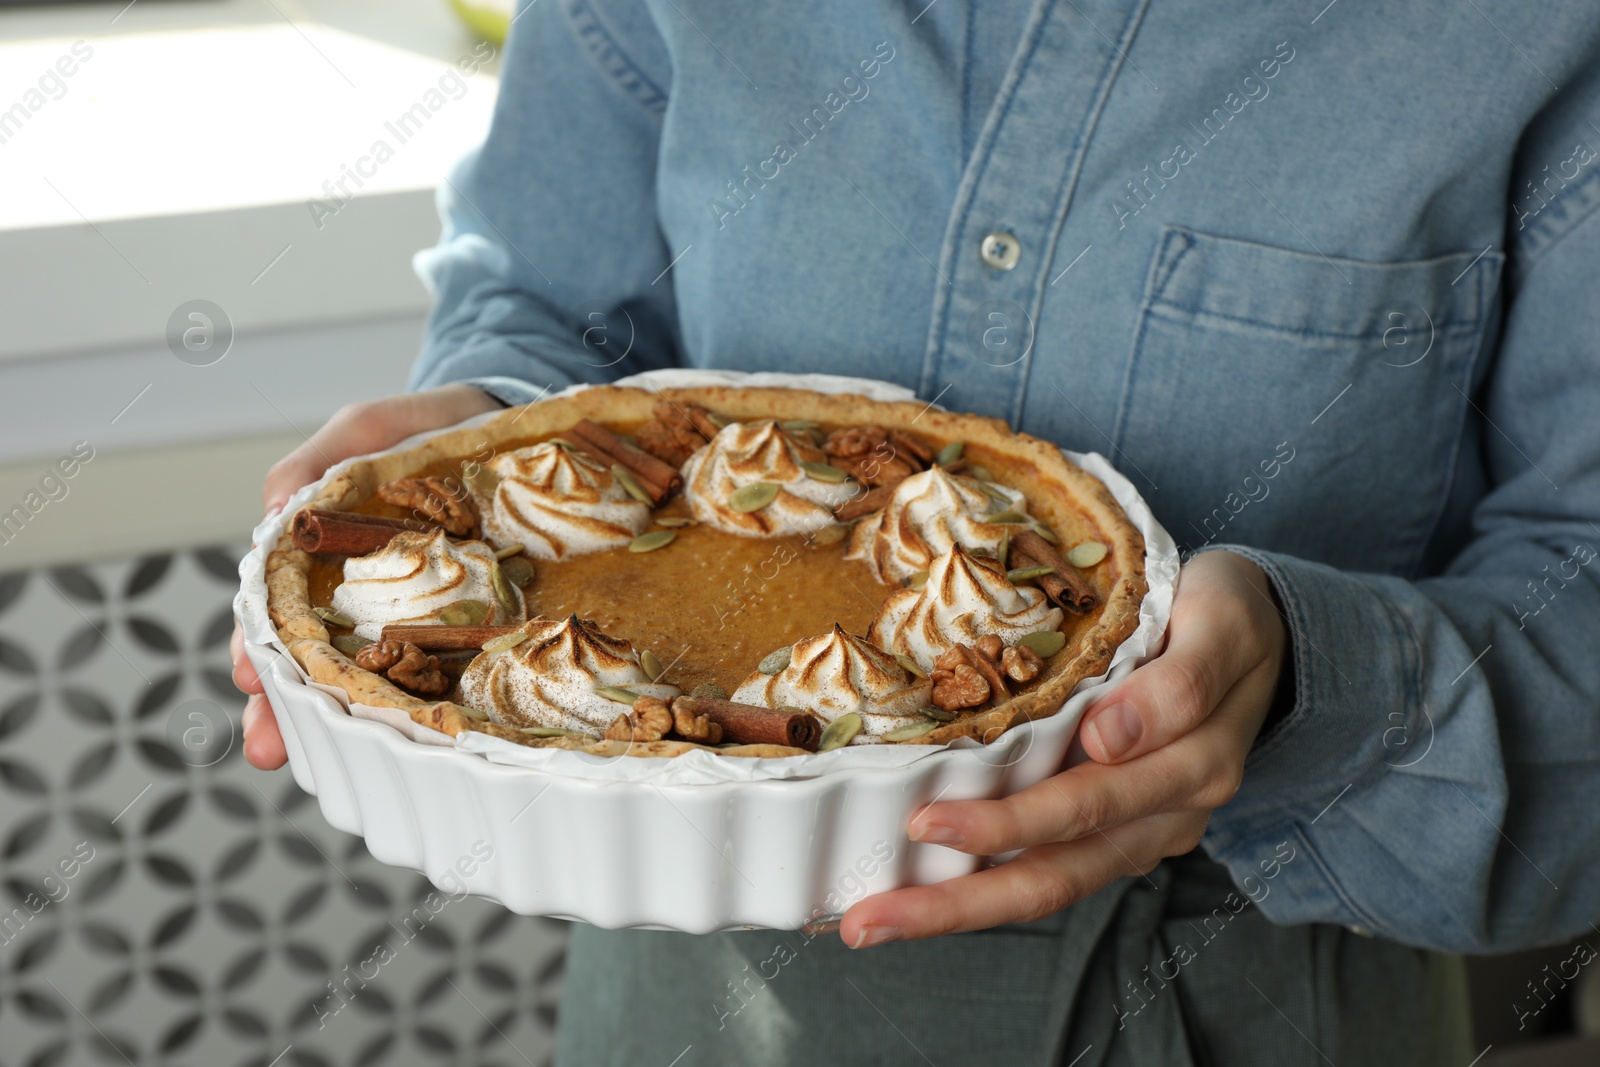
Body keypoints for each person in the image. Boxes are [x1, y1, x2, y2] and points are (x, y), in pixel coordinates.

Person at [232, 2, 1600, 1063]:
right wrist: (485, 430)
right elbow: (553, 297)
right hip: (681, 1014)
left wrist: (1310, 682)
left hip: (1248, 1010)